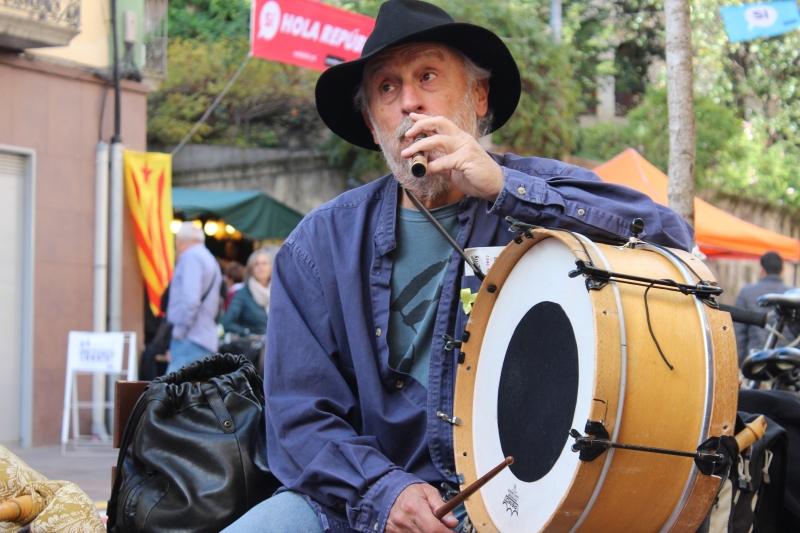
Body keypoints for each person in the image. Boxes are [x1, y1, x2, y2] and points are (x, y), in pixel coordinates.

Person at [224, 1, 693, 532]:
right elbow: (298, 417)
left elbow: (669, 238)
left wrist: (504, 187)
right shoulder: (320, 244)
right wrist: (384, 492)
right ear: (372, 122)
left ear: (478, 95)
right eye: (386, 88)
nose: (409, 102)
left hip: (523, 505)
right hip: (358, 505)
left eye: (428, 76)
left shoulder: (532, 190)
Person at [165, 222, 222, 374]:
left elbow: (190, 301)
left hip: (190, 339)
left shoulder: (190, 257)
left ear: (180, 241)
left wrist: (180, 332)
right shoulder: (209, 258)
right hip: (205, 338)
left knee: (173, 388)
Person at [734, 251, 793, 365]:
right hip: (789, 363)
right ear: (782, 269)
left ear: (762, 270)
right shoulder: (793, 296)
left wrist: (743, 362)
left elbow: (738, 331)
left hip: (756, 362)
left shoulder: (746, 293)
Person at [223, 249, 272, 336]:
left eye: (264, 263)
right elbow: (228, 323)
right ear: (251, 269)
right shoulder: (243, 293)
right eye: (256, 264)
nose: (261, 267)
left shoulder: (278, 293)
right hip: (254, 343)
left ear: (271, 267)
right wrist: (249, 334)